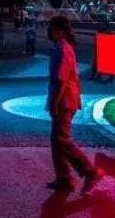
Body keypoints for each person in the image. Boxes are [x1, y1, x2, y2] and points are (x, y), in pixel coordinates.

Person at [45, 16, 104, 194]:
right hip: (62, 99)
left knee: (61, 139)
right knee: (56, 140)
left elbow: (61, 80)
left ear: (60, 30)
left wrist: (54, 102)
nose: (48, 30)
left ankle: (91, 172)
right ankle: (63, 177)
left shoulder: (63, 50)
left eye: (51, 27)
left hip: (64, 101)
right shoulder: (60, 48)